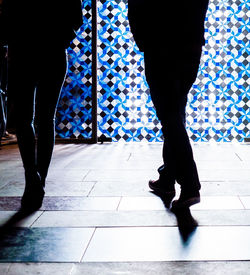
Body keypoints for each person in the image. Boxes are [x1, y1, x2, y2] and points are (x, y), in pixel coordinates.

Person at [2, 0, 83, 211]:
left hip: (22, 51)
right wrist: (60, 39)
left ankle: (32, 177)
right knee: (46, 119)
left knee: (23, 119)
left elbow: (7, 16)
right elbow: (76, 17)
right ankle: (40, 179)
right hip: (53, 52)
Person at [128, 0, 209, 208]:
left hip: (160, 45)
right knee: (175, 112)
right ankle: (167, 177)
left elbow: (137, 7)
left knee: (169, 115)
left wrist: (144, 40)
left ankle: (190, 185)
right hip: (190, 46)